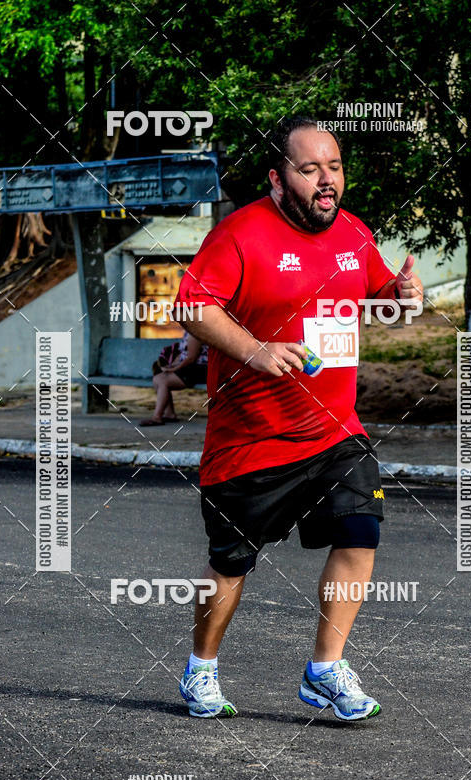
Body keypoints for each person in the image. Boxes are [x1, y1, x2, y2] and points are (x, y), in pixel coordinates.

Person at [174, 116, 423, 720]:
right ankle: (201, 668)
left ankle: (324, 668)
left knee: (360, 531)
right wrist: (256, 350)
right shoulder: (241, 235)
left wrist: (400, 297)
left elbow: (378, 294)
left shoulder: (353, 234)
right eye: (309, 170)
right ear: (278, 178)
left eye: (333, 167)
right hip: (251, 439)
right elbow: (190, 305)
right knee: (232, 561)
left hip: (334, 430)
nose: (325, 181)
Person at [139, 331, 208, 426]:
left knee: (163, 381)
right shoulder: (188, 332)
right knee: (157, 378)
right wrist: (171, 366)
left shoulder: (194, 333)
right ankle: (169, 414)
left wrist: (174, 369)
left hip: (198, 369)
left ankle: (157, 417)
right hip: (188, 368)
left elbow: (191, 358)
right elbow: (182, 354)